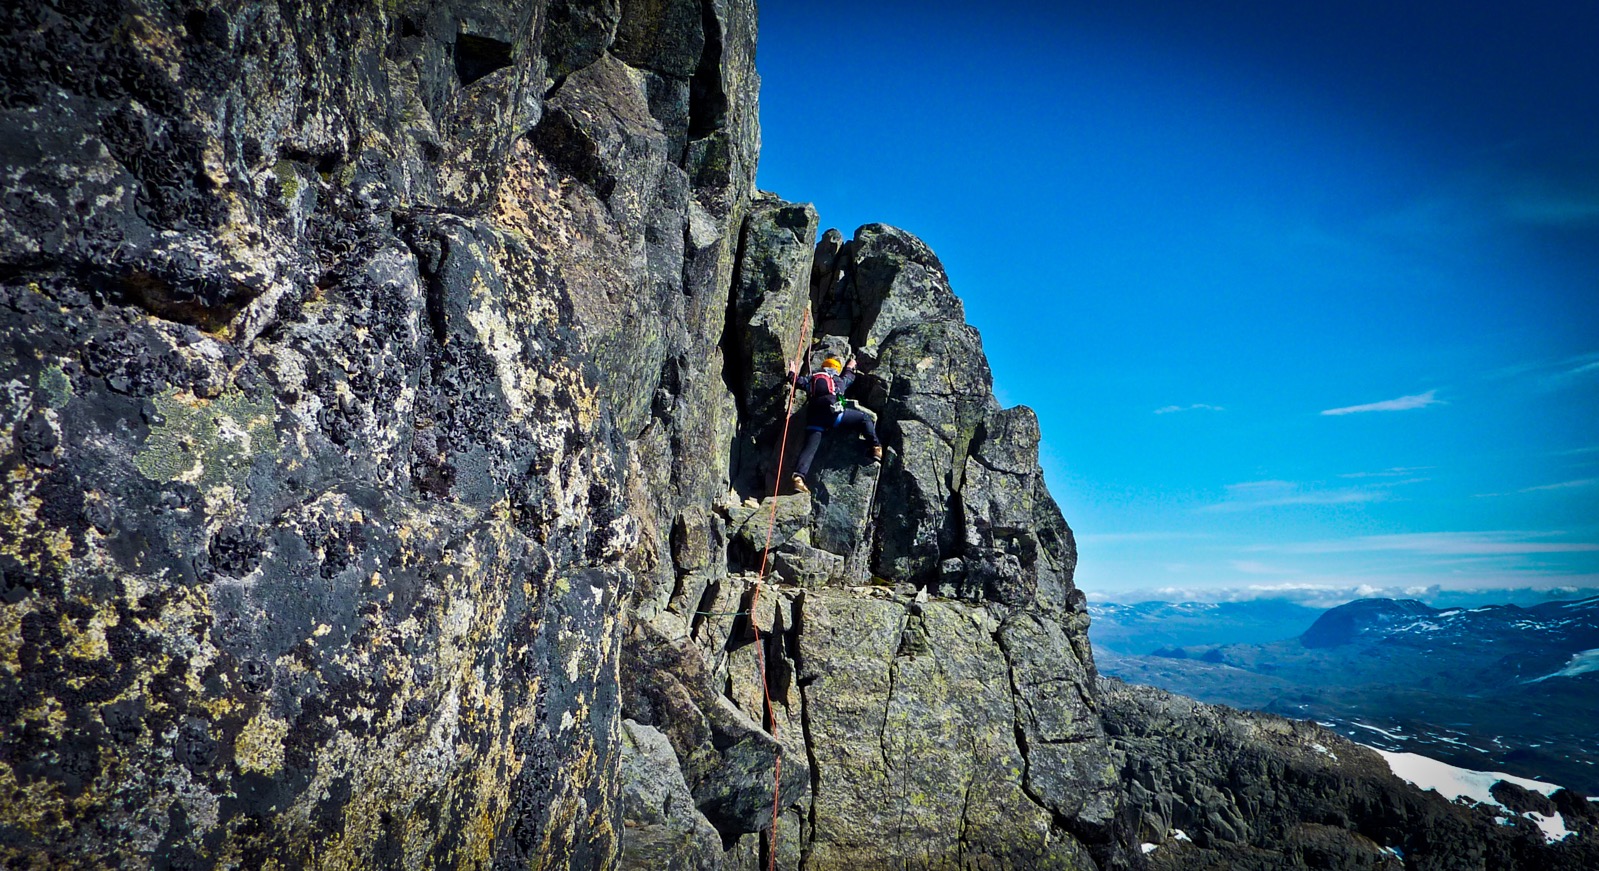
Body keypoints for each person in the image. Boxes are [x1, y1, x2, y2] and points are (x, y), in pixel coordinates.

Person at [786, 355, 882, 493]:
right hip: (834, 415)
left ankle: (798, 479)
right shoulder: (838, 380)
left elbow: (797, 381)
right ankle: (875, 447)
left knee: (809, 449)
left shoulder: (814, 378)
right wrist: (850, 366)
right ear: (836, 369)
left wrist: (792, 372)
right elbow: (849, 377)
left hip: (815, 418)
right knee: (864, 418)